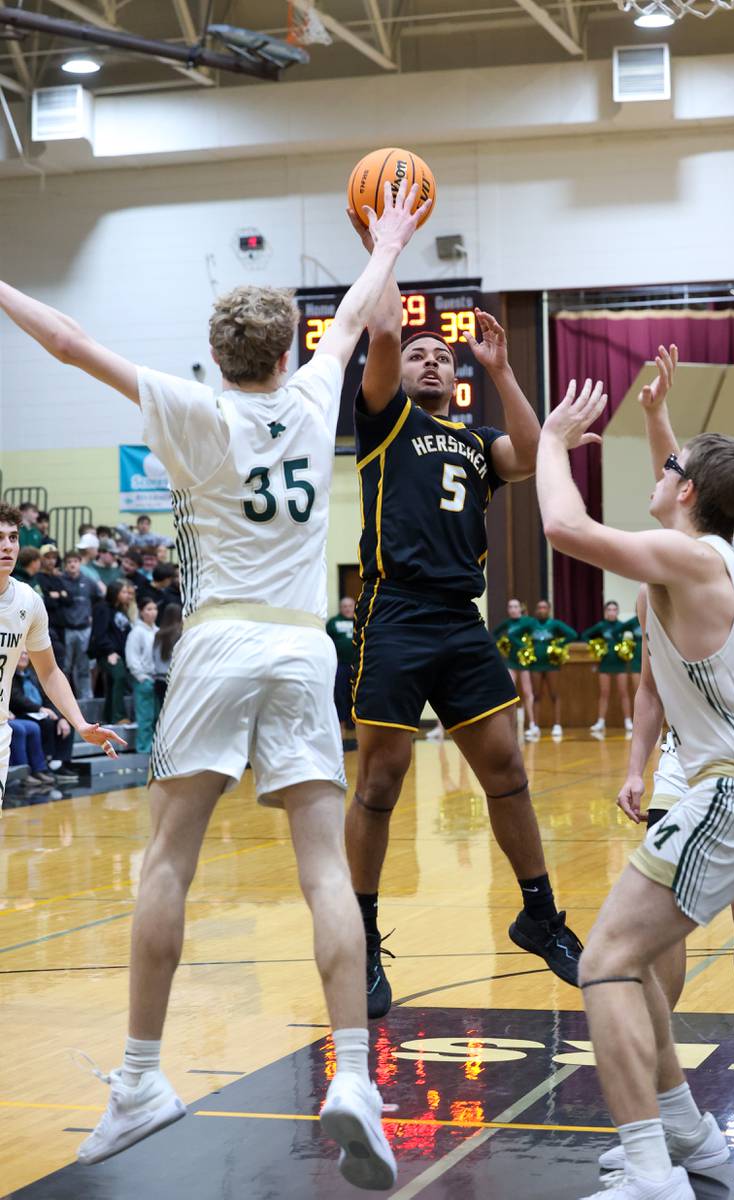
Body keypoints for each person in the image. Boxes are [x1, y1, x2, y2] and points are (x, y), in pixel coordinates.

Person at [0, 179, 427, 1184]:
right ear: (286, 350)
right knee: (324, 867)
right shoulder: (317, 387)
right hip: (302, 645)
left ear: (220, 352)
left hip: (222, 639)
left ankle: (143, 1078)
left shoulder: (190, 407)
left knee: (167, 863)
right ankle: (355, 1076)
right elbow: (369, 306)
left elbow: (65, 341)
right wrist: (389, 238)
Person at [536, 349, 734, 1200]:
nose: (659, 472)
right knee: (634, 958)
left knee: (604, 963)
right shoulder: (730, 561)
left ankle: (653, 1168)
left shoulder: (691, 560)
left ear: (687, 492)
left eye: (669, 468)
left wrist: (552, 443)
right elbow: (689, 487)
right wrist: (659, 420)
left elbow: (565, 531)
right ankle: (686, 1131)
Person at [345, 207, 583, 1023]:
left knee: (508, 772)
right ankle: (363, 937)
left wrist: (503, 367)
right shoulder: (382, 423)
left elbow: (532, 450)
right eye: (420, 353)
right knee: (380, 780)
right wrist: (389, 251)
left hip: (458, 617)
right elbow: (381, 333)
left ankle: (539, 912)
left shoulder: (479, 441)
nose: (431, 361)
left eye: (442, 357)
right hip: (395, 613)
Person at [0, 502, 122, 812]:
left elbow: (50, 672)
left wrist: (80, 723)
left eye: (13, 537)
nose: (7, 546)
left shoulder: (28, 600)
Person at [10, 650, 80, 786]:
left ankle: (58, 763)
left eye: (25, 654)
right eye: (20, 653)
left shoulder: (34, 676)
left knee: (66, 721)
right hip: (22, 712)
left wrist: (60, 717)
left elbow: (48, 699)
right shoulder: (9, 676)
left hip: (40, 712)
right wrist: (39, 709)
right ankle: (46, 762)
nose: (23, 656)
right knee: (45, 721)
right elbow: (16, 699)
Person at [581, 600, 633, 735]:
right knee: (604, 693)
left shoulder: (623, 626)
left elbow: (630, 641)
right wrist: (595, 645)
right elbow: (585, 635)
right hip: (605, 663)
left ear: (617, 612)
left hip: (620, 662)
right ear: (605, 612)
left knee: (624, 692)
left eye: (614, 610)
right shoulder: (601, 626)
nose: (611, 612)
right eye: (609, 610)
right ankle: (600, 721)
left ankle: (628, 721)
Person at [528, 599, 577, 739]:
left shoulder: (554, 624)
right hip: (535, 664)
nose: (542, 610)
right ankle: (534, 725)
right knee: (536, 695)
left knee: (554, 694)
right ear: (536, 610)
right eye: (539, 607)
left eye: (544, 607)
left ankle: (557, 725)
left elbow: (572, 634)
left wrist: (559, 644)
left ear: (549, 609)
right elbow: (514, 634)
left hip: (552, 665)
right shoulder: (531, 624)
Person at [90, 579, 135, 724]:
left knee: (112, 682)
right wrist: (109, 651)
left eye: (128, 592)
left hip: (120, 653)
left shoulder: (120, 609)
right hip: (107, 653)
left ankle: (109, 716)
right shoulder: (102, 608)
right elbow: (99, 633)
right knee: (119, 676)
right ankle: (118, 716)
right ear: (115, 593)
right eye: (123, 592)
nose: (127, 595)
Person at [492, 598, 536, 740]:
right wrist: (503, 643)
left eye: (515, 607)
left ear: (520, 609)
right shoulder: (507, 623)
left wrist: (521, 644)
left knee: (527, 692)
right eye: (510, 607)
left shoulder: (528, 621)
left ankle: (532, 724)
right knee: (510, 692)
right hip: (511, 662)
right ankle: (511, 725)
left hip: (524, 662)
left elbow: (535, 633)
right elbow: (494, 634)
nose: (512, 609)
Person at [62, 550, 103, 700]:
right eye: (69, 562)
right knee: (65, 667)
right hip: (67, 629)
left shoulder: (88, 581)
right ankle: (65, 700)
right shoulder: (61, 580)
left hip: (84, 628)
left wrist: (92, 615)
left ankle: (86, 701)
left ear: (80, 564)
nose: (72, 564)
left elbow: (100, 598)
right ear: (65, 565)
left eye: (75, 561)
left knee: (84, 667)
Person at [125, 597, 159, 753]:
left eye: (154, 609)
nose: (152, 613)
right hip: (143, 679)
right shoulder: (136, 632)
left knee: (157, 716)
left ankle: (156, 748)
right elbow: (132, 657)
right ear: (141, 612)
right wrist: (141, 676)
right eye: (149, 609)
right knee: (145, 718)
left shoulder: (158, 631)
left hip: (159, 679)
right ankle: (144, 749)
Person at [326, 596, 356, 747]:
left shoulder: (361, 619)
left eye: (350, 606)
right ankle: (341, 727)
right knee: (340, 695)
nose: (348, 608)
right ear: (340, 608)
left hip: (359, 665)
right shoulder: (333, 623)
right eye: (344, 606)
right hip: (341, 665)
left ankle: (358, 727)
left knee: (359, 695)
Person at [36, 544, 68, 666]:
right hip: (48, 625)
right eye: (47, 557)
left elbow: (69, 599)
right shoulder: (38, 578)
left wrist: (56, 595)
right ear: (41, 559)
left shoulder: (58, 578)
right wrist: (60, 595)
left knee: (61, 661)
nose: (51, 561)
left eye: (54, 558)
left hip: (61, 624)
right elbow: (46, 601)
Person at [153, 602, 182, 707]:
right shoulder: (181, 633)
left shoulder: (158, 634)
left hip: (159, 679)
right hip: (175, 680)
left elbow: (154, 657)